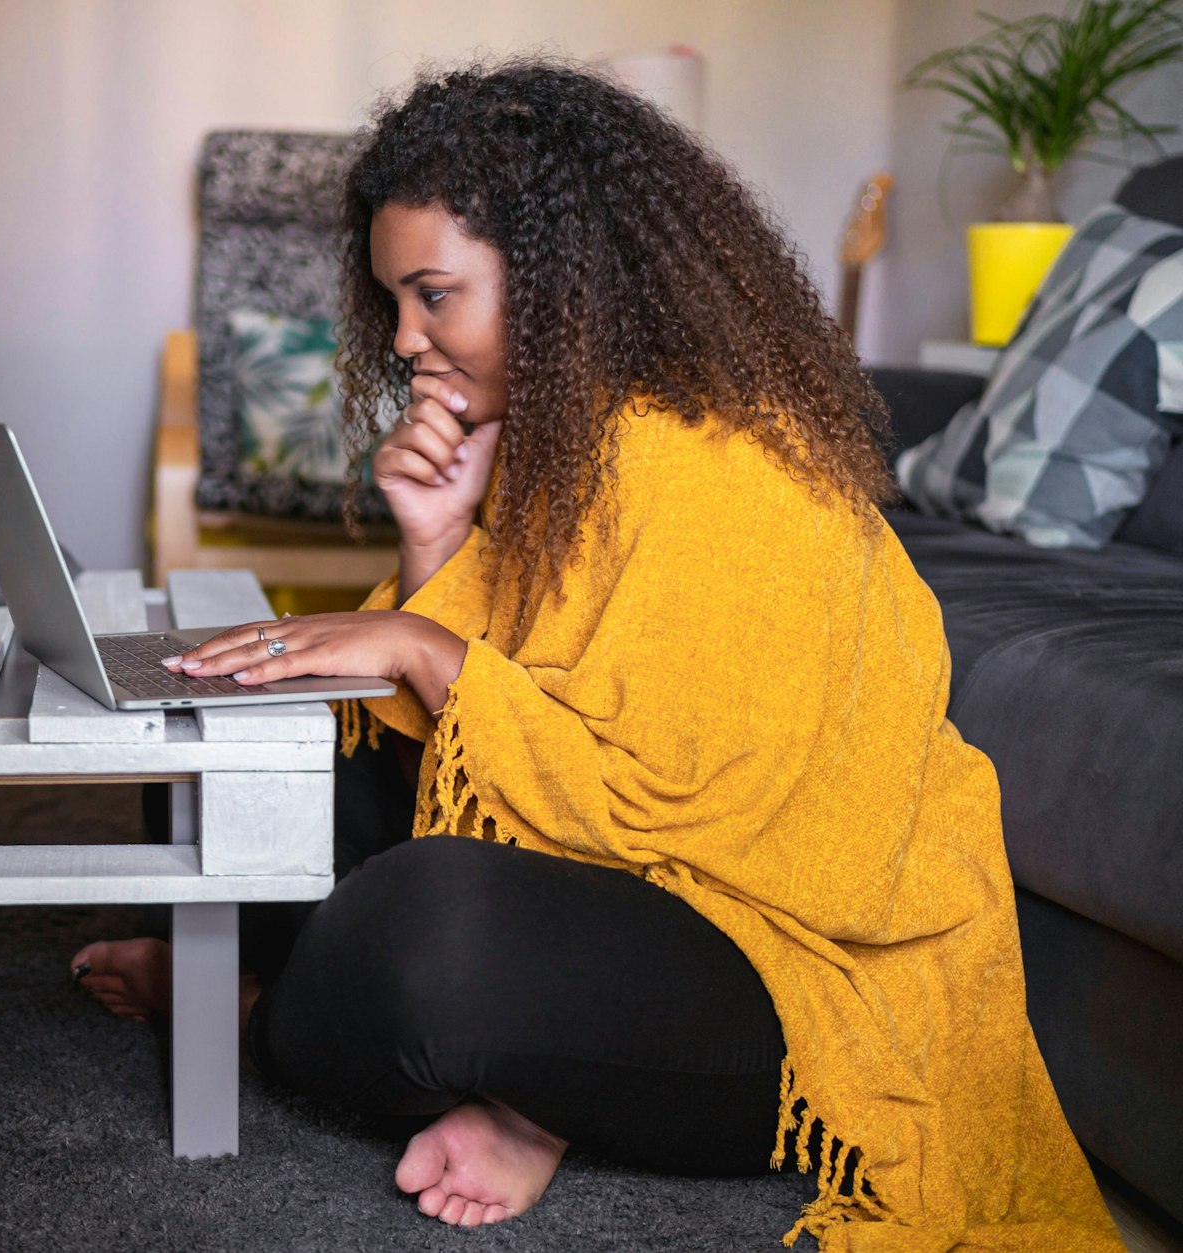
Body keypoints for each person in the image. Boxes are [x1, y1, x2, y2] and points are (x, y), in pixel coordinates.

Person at [73, 58, 1123, 1249]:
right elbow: (476, 757)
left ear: (561, 280)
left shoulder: (731, 465)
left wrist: (430, 650)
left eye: (434, 296)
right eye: (394, 302)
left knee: (416, 937)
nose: (405, 339)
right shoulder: (563, 439)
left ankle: (275, 1013)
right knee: (240, 757)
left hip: (785, 952)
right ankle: (427, 1046)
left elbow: (702, 815)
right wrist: (435, 545)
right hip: (620, 881)